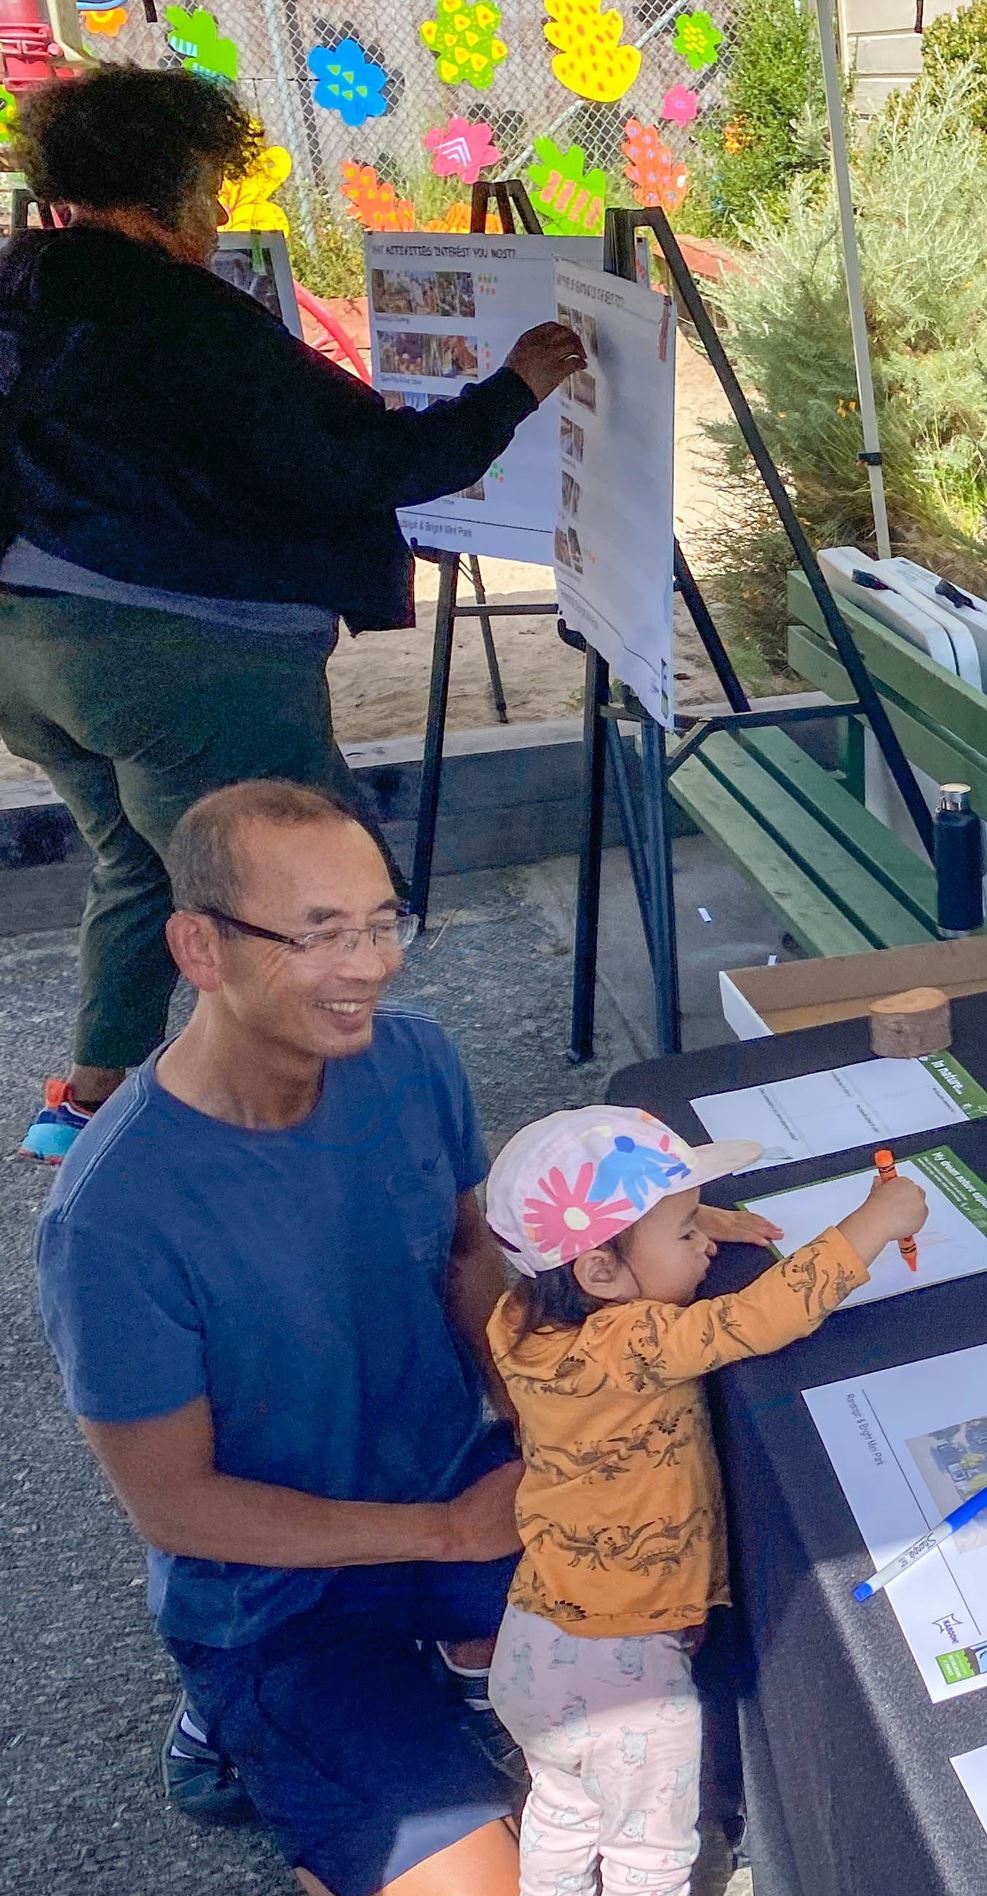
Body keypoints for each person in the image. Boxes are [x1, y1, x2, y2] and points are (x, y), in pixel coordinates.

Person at [37, 782, 718, 1896]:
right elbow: (175, 1504)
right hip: (275, 1594)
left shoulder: (415, 1063)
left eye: (381, 922)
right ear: (198, 945)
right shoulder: (108, 1218)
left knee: (688, 1609)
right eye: (316, 935)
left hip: (456, 1488)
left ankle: (457, 1647)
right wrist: (448, 1533)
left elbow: (467, 1261)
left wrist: (546, 1425)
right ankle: (236, 1717)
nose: (368, 967)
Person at [0, 67, 586, 1160]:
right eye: (210, 188)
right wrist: (512, 387)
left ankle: (81, 1103)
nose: (219, 213)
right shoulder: (170, 312)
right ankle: (313, 1127)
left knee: (143, 861)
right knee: (297, 890)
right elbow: (349, 462)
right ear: (154, 196)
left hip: (28, 650)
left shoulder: (26, 282)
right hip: (175, 659)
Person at [482, 1108, 928, 1896]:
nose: (704, 1248)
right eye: (685, 1231)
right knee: (650, 1852)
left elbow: (608, 1255)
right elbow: (762, 1317)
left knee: (564, 1809)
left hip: (535, 1647)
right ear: (604, 1270)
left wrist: (701, 1220)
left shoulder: (520, 1323)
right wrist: (877, 1220)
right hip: (626, 1677)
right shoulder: (635, 1338)